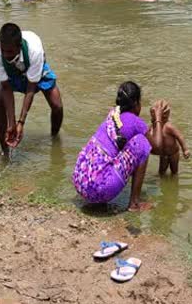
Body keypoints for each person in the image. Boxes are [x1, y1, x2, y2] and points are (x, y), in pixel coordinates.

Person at [72, 82, 169, 212]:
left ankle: (98, 199)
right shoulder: (135, 122)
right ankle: (134, 204)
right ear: (136, 103)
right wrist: (158, 119)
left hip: (81, 183)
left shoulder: (113, 115)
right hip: (100, 190)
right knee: (142, 144)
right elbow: (157, 147)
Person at [0, 23, 63, 155]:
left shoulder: (34, 50)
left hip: (34, 71)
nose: (6, 55)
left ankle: (54, 139)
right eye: (4, 50)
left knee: (57, 105)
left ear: (19, 47)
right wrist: (12, 123)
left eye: (10, 52)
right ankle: (4, 150)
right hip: (13, 74)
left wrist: (21, 123)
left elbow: (31, 87)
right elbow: (6, 87)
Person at [146, 104, 190, 175]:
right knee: (161, 171)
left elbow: (179, 136)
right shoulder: (153, 126)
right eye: (151, 114)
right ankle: (163, 181)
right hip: (163, 154)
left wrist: (185, 149)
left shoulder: (168, 126)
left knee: (174, 170)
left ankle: (174, 179)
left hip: (173, 153)